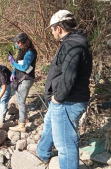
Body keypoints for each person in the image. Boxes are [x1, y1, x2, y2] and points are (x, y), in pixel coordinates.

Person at [36, 10, 92, 169]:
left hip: (68, 101)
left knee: (65, 143)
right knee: (49, 124)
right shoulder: (74, 42)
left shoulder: (72, 45)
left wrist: (57, 98)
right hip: (66, 99)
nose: (52, 33)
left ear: (59, 28)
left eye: (52, 29)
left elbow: (69, 76)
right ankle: (42, 152)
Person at [8, 32, 37, 132]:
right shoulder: (22, 50)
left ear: (20, 42)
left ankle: (22, 125)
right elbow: (18, 64)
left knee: (21, 101)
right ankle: (24, 118)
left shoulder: (30, 52)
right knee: (18, 98)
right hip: (20, 78)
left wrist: (13, 63)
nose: (15, 44)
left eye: (16, 42)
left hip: (27, 79)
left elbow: (24, 67)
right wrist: (13, 72)